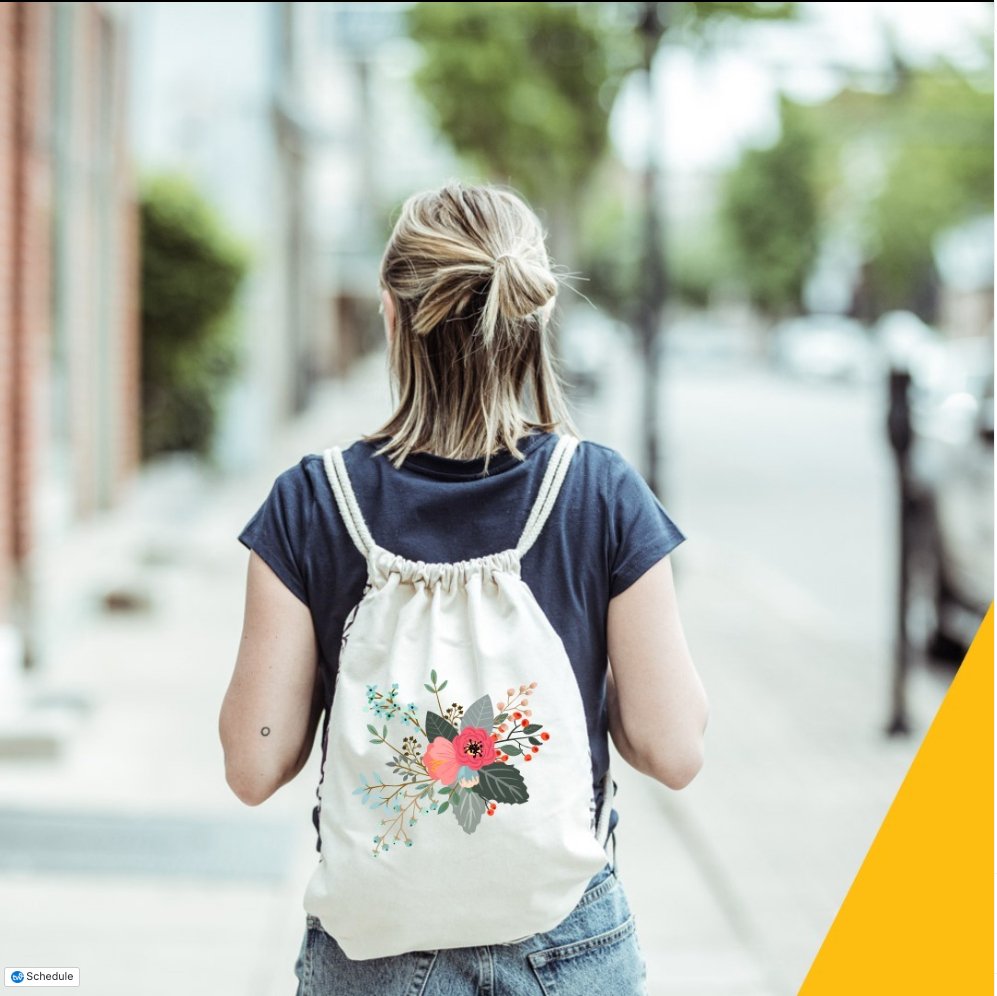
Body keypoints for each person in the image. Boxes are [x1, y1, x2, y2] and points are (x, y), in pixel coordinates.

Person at [219, 181, 709, 995]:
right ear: (533, 317)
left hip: (368, 957)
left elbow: (253, 763)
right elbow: (672, 749)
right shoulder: (600, 493)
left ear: (390, 313)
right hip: (565, 949)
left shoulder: (310, 502)